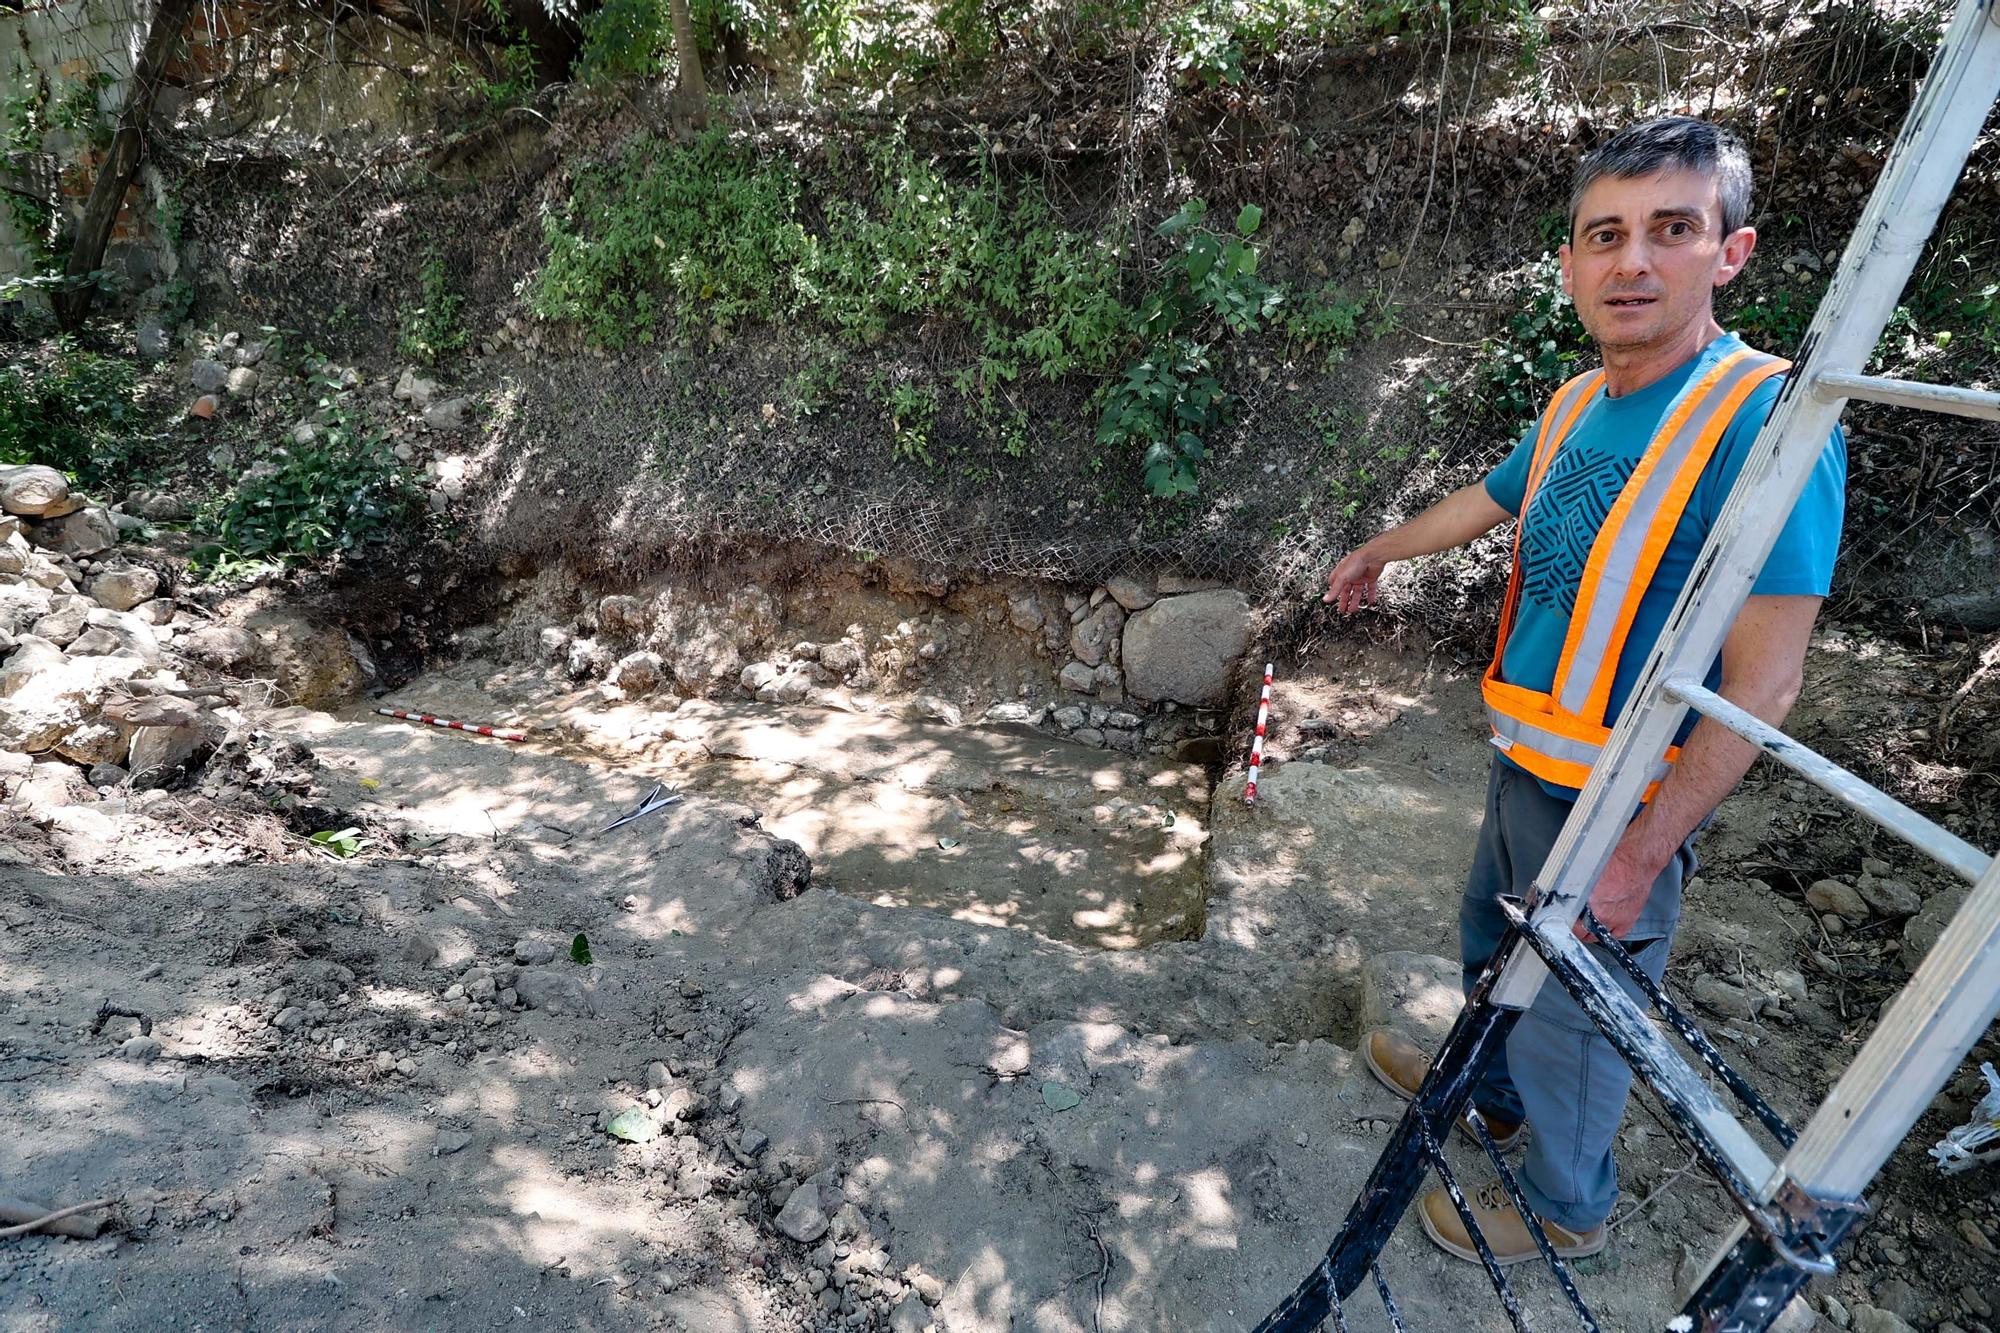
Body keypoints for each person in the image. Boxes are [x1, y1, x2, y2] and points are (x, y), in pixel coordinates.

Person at [1322, 116, 1846, 1265]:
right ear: (1567, 262)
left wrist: (1637, 854)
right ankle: (1492, 1093)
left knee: (1579, 1008)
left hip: (1621, 795)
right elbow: (1487, 499)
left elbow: (1764, 682)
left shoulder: (1764, 425)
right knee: (1486, 937)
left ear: (1729, 251)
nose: (1631, 262)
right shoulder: (1575, 402)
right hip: (1531, 759)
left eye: (1671, 229)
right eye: (1602, 235)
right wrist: (1379, 550)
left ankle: (1564, 1202)